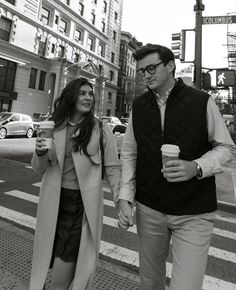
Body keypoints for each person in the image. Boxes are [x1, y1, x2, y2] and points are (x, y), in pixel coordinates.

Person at [117, 44, 236, 290]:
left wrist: (197, 167)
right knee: (150, 284)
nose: (146, 75)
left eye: (151, 68)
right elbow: (129, 152)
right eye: (142, 71)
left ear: (170, 65)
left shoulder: (202, 101)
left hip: (194, 211)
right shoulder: (138, 106)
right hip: (149, 208)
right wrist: (125, 196)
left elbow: (227, 149)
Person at [29, 77, 120, 290]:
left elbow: (113, 168)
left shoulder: (101, 129)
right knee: (47, 254)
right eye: (82, 93)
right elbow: (38, 168)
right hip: (54, 202)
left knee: (66, 268)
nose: (88, 97)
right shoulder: (54, 126)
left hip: (82, 207)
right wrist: (40, 151)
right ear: (71, 96)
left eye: (90, 93)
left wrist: (120, 200)